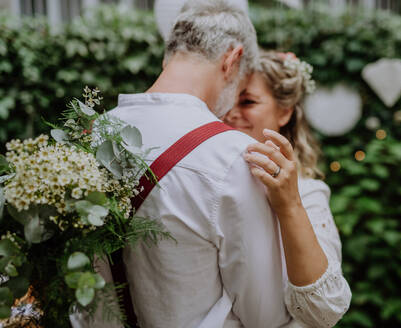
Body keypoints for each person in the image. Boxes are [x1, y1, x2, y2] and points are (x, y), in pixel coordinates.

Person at [104, 2, 293, 327]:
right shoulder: (234, 155)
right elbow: (264, 315)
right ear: (232, 61)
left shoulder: (90, 136)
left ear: (168, 59)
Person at [224, 51, 352, 327]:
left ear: (285, 111)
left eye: (247, 101)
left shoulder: (307, 193)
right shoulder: (210, 181)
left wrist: (288, 205)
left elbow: (325, 310)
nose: (231, 113)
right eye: (226, 101)